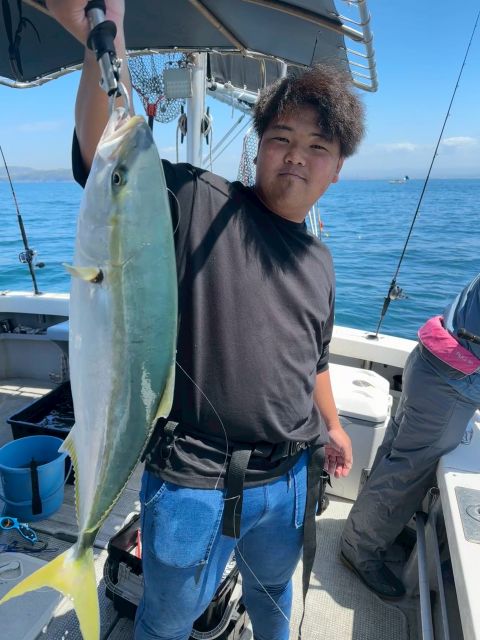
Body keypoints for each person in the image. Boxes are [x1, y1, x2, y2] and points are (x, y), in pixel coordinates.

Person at [47, 2, 365, 638]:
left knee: (274, 600)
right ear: (258, 147)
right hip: (193, 482)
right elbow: (109, 154)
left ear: (336, 169)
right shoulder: (199, 202)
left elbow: (316, 358)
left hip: (290, 477)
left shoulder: (321, 262)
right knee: (168, 621)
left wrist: (332, 425)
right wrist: (105, 38)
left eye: (317, 147)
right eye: (281, 139)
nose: (296, 157)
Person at [341, 273, 480, 599]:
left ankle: (375, 531)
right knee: (405, 473)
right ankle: (360, 548)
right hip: (450, 387)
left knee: (394, 458)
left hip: (430, 363)